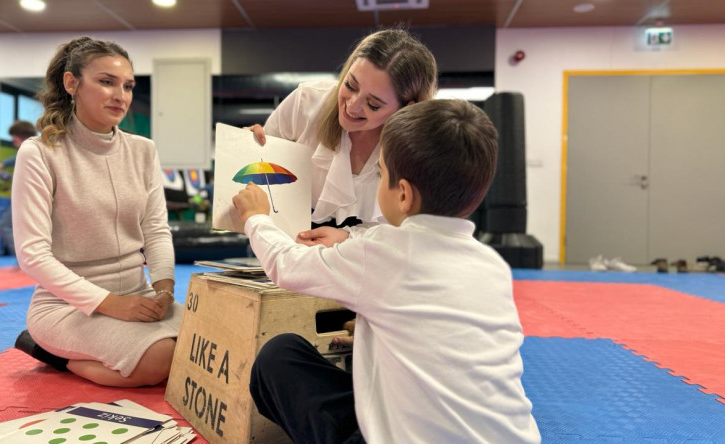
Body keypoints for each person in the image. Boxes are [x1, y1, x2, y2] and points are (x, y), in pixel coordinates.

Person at [232, 99, 541, 443]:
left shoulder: (381, 249)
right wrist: (375, 333)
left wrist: (256, 217)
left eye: (381, 173)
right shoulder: (492, 265)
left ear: (403, 194)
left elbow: (286, 265)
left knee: (278, 356)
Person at [11, 36, 181, 388]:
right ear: (71, 83)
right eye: (106, 82)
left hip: (138, 297)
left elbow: (156, 229)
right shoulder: (39, 153)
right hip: (67, 308)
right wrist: (109, 303)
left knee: (219, 339)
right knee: (161, 358)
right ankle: (53, 354)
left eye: (128, 86)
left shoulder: (143, 150)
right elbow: (32, 255)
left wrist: (164, 291)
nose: (121, 96)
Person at [247, 28, 437, 248]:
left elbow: (411, 235)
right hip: (287, 248)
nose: (352, 106)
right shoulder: (307, 103)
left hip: (368, 260)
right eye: (350, 85)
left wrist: (348, 240)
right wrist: (249, 146)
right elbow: (258, 171)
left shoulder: (416, 150)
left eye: (373, 104)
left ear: (405, 109)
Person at [0, 120, 37, 257]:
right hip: (29, 196)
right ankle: (26, 256)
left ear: (19, 137)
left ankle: (23, 256)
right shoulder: (35, 149)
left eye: (14, 138)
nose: (13, 141)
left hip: (27, 197)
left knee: (4, 225)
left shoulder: (30, 149)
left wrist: (2, 166)